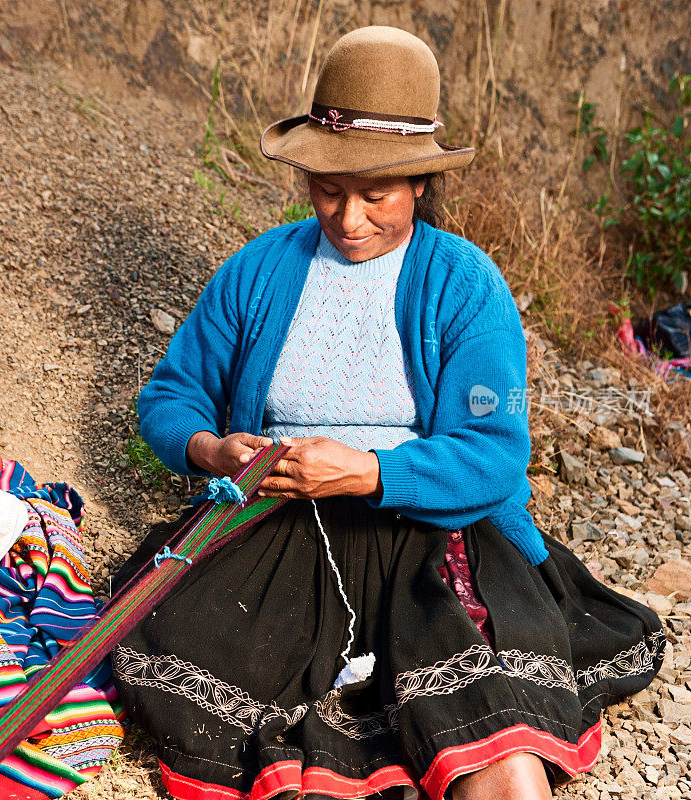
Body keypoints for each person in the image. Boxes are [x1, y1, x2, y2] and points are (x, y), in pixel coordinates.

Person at [113, 26, 664, 800]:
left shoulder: (465, 285)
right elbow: (170, 398)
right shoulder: (261, 270)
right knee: (243, 717)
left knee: (496, 743)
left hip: (435, 539)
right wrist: (210, 450)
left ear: (420, 186)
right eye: (330, 190)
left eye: (378, 195)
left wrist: (371, 471)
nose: (349, 218)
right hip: (277, 533)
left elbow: (494, 453)